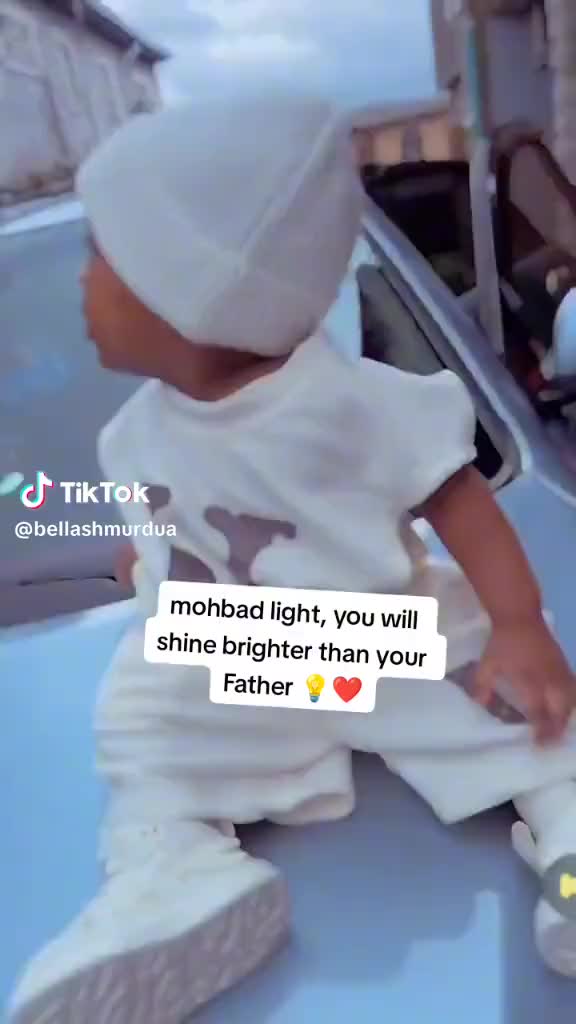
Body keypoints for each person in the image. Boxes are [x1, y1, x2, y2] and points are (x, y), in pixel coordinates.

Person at [9, 89, 576, 1024]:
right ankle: (173, 868)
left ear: (188, 296)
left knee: (525, 712)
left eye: (102, 257)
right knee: (147, 719)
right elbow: (177, 532)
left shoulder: (348, 403)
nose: (82, 284)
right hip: (251, 649)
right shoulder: (140, 435)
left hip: (372, 641)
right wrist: (146, 566)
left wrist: (517, 623)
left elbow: (456, 498)